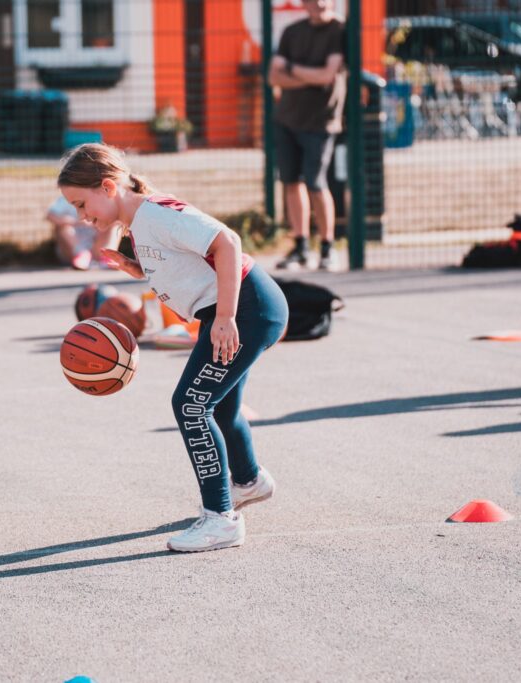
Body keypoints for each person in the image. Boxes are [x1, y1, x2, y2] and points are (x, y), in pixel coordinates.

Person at [58, 143, 289, 553]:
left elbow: (228, 244)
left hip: (247, 308)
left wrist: (225, 318)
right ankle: (249, 481)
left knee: (191, 404)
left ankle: (220, 520)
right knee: (218, 405)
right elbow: (186, 263)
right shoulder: (140, 222)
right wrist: (136, 268)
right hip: (243, 307)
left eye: (81, 203)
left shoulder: (155, 214)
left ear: (108, 187)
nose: (81, 216)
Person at [268, 0, 347, 271]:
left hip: (321, 122)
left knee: (316, 182)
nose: (319, 3)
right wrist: (308, 77)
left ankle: (327, 247)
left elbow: (327, 76)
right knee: (291, 182)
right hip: (287, 118)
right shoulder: (292, 32)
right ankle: (301, 248)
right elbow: (273, 77)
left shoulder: (340, 30)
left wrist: (292, 69)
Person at [47, 194, 120, 270]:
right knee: (63, 228)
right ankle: (81, 254)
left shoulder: (99, 198)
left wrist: (100, 224)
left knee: (115, 225)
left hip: (96, 246)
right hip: (72, 249)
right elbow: (50, 216)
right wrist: (77, 222)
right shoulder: (66, 199)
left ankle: (108, 256)